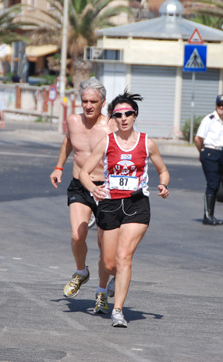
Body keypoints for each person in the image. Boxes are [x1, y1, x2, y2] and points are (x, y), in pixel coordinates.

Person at [79, 91, 170, 328]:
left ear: (135, 115)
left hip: (136, 204)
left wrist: (163, 184)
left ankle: (118, 310)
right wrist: (92, 188)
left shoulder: (147, 143)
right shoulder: (107, 142)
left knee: (124, 257)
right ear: (113, 119)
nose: (124, 118)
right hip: (109, 203)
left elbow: (163, 170)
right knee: (110, 264)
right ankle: (114, 280)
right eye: (118, 115)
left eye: (128, 113)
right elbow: (83, 172)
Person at [50, 78, 117, 314]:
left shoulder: (111, 126)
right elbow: (69, 142)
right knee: (77, 235)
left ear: (103, 102)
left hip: (106, 188)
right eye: (85, 101)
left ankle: (101, 292)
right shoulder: (73, 121)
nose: (88, 106)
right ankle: (81, 272)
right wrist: (59, 167)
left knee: (103, 245)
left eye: (93, 102)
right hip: (80, 184)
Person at [194, 94, 223, 225]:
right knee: (212, 184)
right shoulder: (209, 119)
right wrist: (202, 152)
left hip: (221, 153)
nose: (221, 107)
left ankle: (211, 215)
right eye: (219, 105)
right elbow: (198, 139)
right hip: (210, 151)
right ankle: (207, 216)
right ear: (216, 105)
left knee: (216, 185)